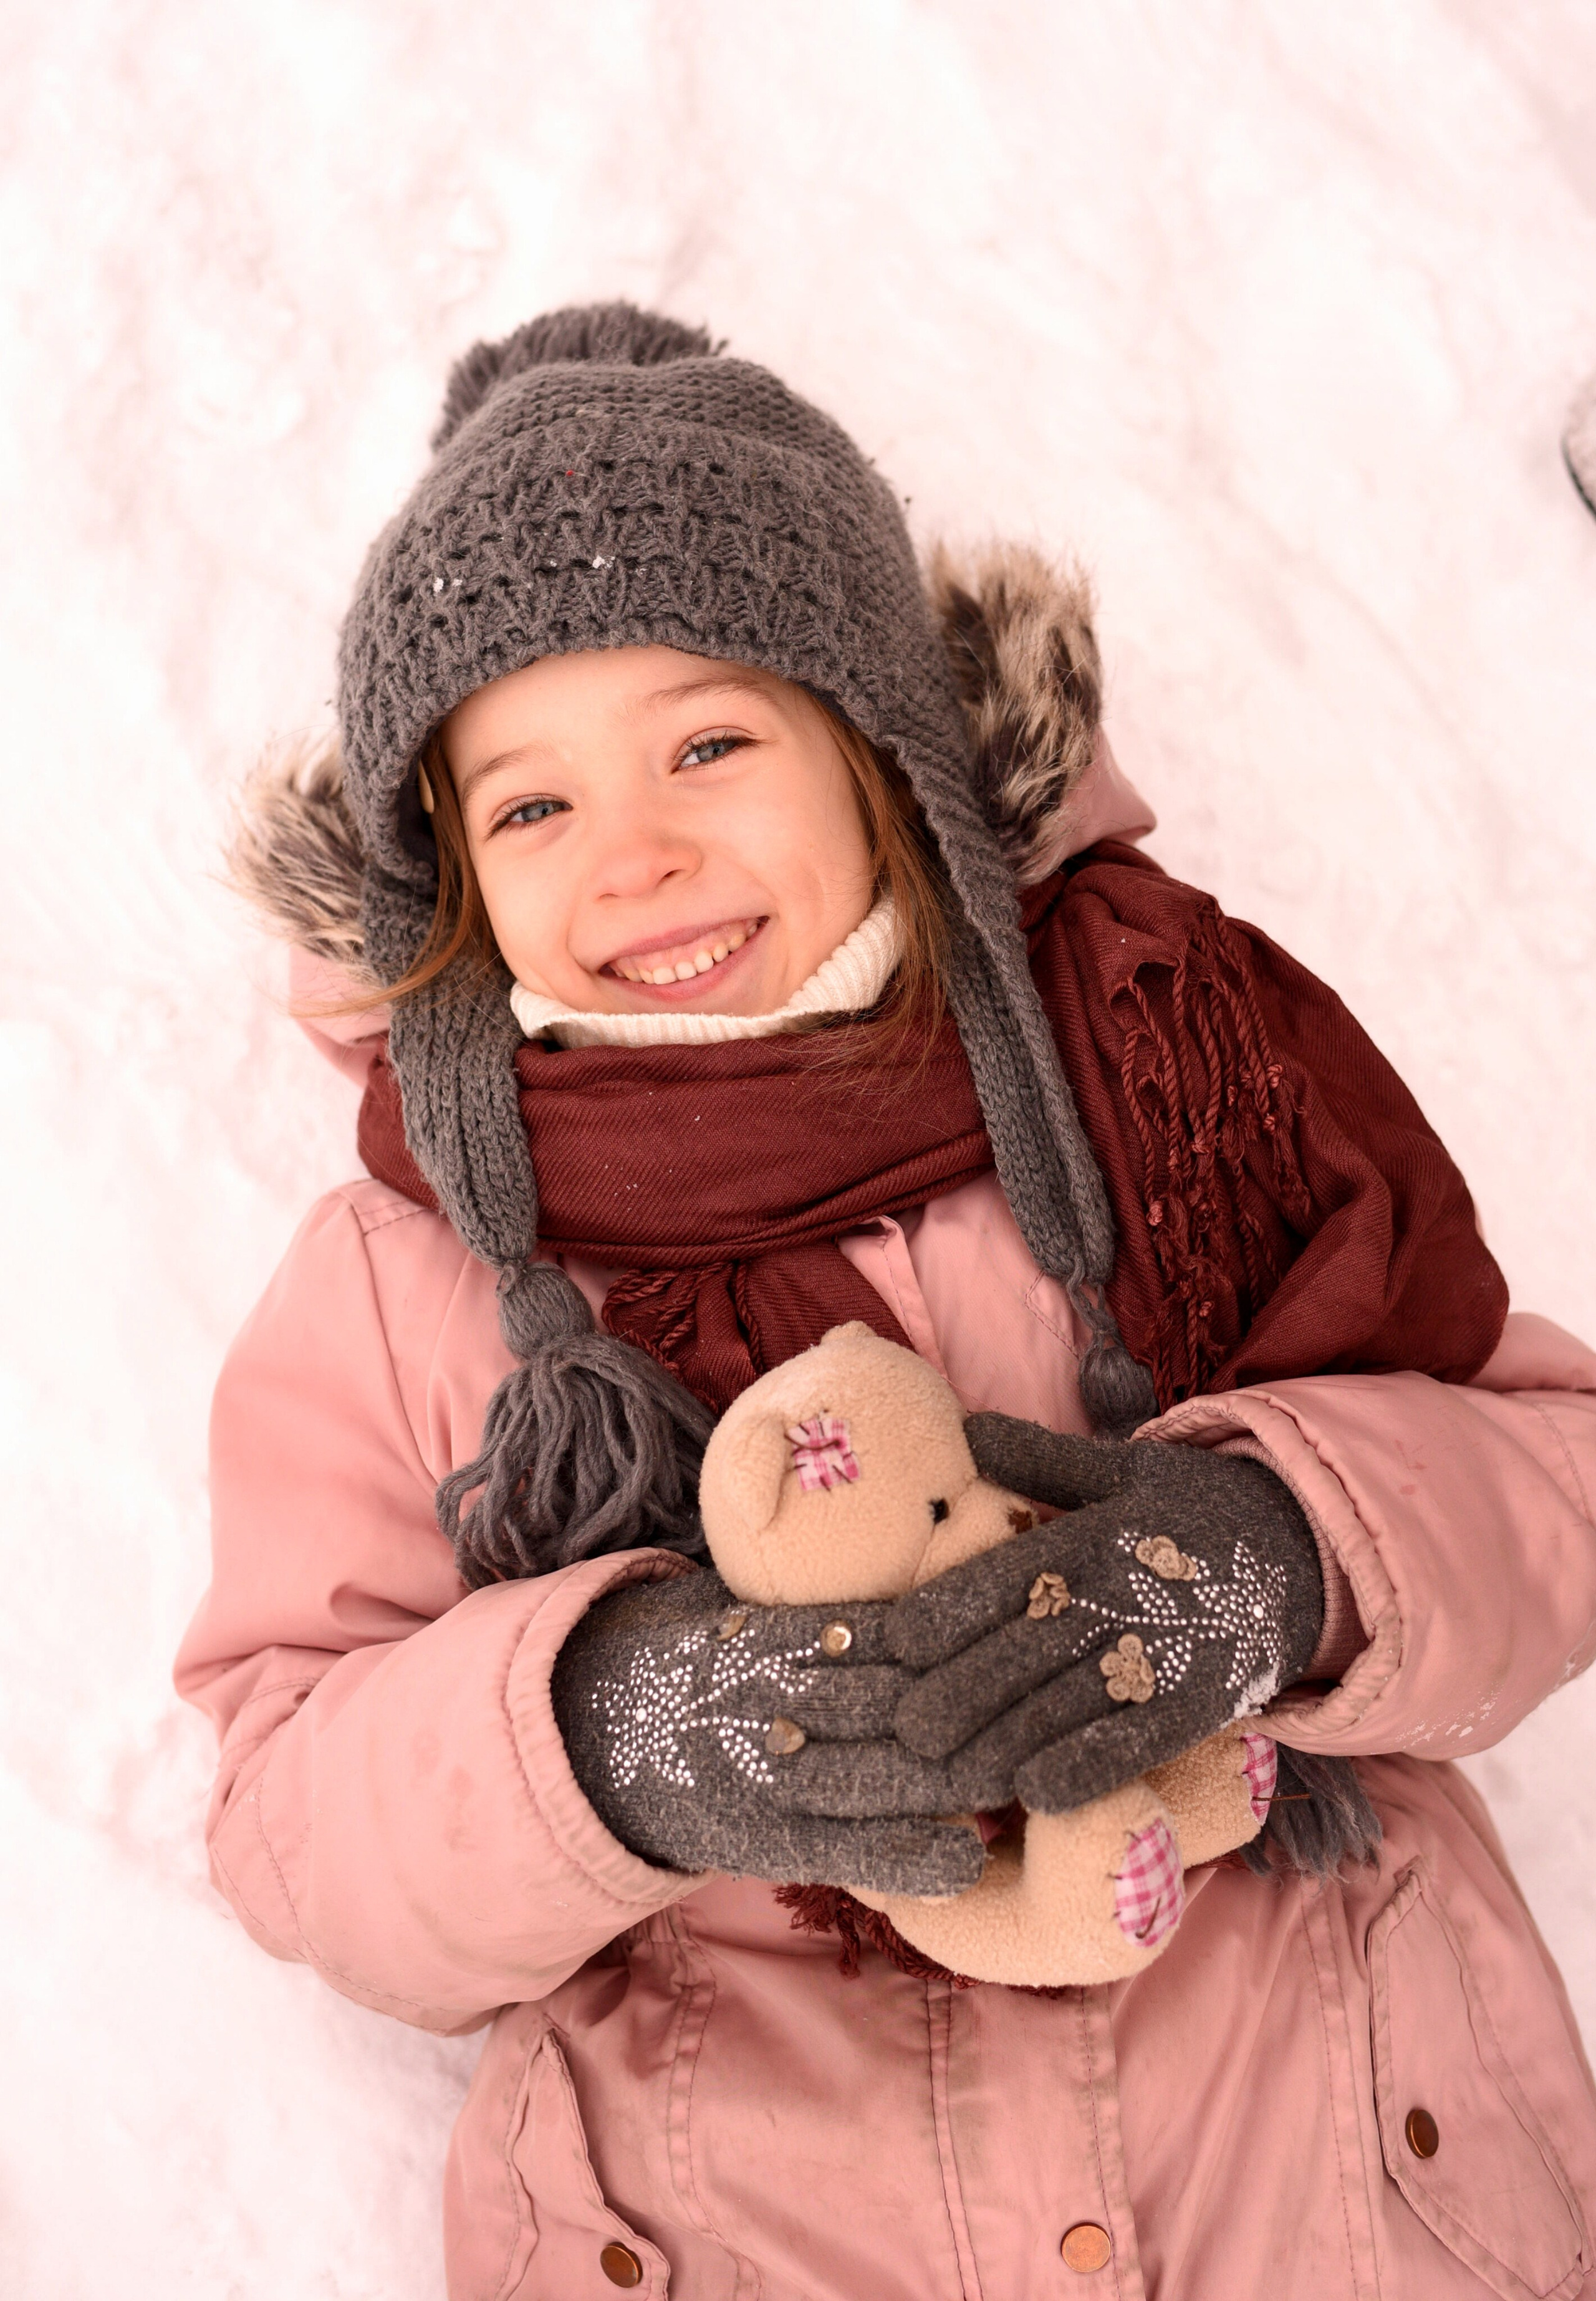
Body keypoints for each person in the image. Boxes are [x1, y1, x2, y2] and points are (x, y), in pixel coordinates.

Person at [178, 303, 1596, 2297]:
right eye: (529, 805)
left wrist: (1279, 1559)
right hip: (753, 2197)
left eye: (708, 742)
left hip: (1334, 2153)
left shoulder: (1166, 1064)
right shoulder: (410, 1284)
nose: (639, 852)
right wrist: (616, 1738)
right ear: (450, 880)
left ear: (885, 759)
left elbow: (1554, 1483)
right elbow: (293, 1807)